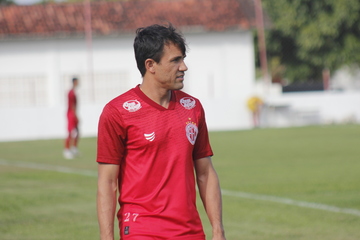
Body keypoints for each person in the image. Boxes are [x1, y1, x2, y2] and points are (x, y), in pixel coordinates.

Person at [96, 23, 226, 240]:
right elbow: (107, 182)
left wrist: (218, 230)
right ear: (151, 65)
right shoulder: (117, 112)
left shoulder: (193, 107)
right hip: (141, 230)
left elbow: (205, 173)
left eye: (183, 59)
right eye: (175, 60)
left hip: (190, 231)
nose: (184, 67)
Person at [63, 77, 79, 159]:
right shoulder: (71, 93)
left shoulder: (73, 92)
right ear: (74, 82)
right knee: (70, 132)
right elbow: (72, 105)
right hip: (71, 114)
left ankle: (74, 148)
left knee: (77, 131)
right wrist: (75, 115)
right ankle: (66, 150)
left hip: (73, 113)